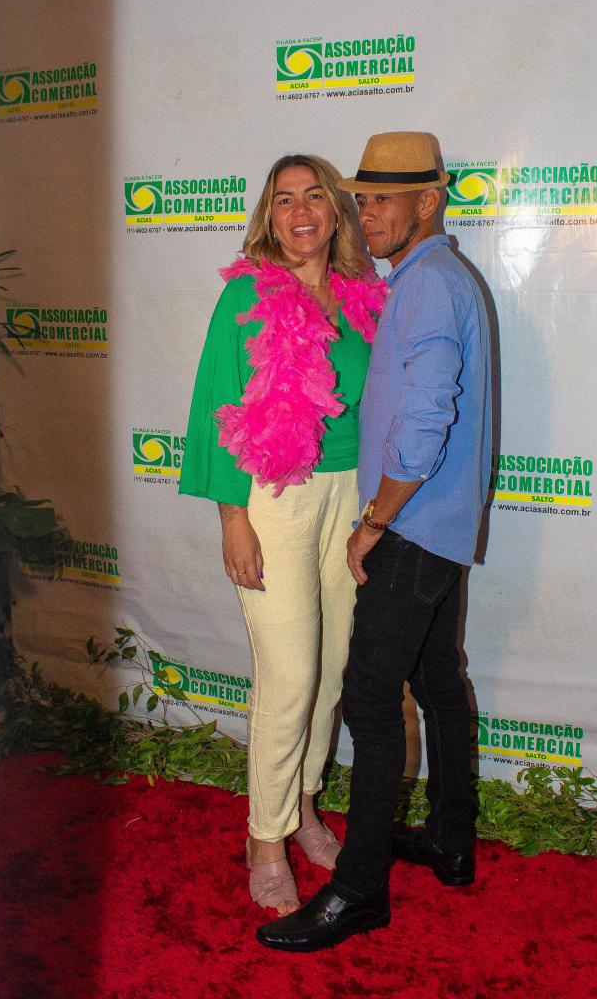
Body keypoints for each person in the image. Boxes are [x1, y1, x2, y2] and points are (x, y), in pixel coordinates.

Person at [257, 130, 492, 951]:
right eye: (361, 199)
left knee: (367, 697)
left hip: (413, 527)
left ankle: (357, 892)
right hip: (441, 525)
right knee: (437, 681)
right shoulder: (435, 278)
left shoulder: (427, 286)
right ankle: (451, 842)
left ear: (428, 201)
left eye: (382, 200)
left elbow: (424, 424)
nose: (367, 215)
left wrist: (374, 522)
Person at [179, 153, 386, 916]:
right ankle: (264, 838)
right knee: (290, 676)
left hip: (349, 496)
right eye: (284, 199)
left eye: (314, 197)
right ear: (270, 216)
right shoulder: (245, 296)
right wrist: (233, 518)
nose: (300, 212)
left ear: (336, 212)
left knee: (330, 673)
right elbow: (217, 405)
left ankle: (302, 806)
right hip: (274, 498)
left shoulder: (364, 295)